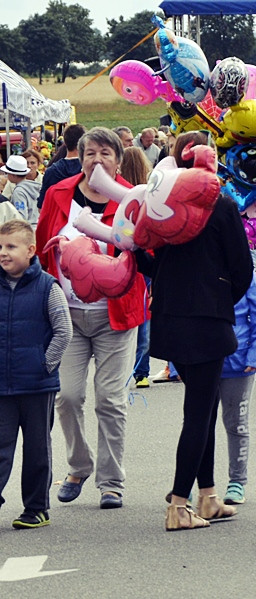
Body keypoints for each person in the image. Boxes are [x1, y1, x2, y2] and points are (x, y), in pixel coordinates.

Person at [133, 130, 254, 530]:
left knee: (203, 406)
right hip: (207, 319)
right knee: (199, 414)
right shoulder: (220, 205)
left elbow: (150, 263)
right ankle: (179, 505)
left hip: (170, 316)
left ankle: (208, 496)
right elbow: (242, 268)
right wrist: (220, 298)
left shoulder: (161, 204)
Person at [36, 127, 148, 511]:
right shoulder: (58, 193)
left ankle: (111, 482)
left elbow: (146, 253)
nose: (97, 160)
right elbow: (41, 249)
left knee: (110, 400)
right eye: (90, 153)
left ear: (118, 160)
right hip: (66, 316)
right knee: (67, 396)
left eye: (105, 153)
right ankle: (79, 466)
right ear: (80, 158)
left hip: (115, 316)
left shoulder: (133, 199)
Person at [0, 219, 72, 529]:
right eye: (0, 246)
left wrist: (45, 366)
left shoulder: (47, 287)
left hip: (37, 386)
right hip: (2, 385)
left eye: (11, 247)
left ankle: (36, 508)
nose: (3, 253)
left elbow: (63, 331)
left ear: (30, 250)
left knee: (37, 449)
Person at [219, 272, 256, 506]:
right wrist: (175, 364)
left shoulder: (243, 271)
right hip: (200, 359)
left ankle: (237, 481)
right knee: (197, 424)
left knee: (237, 424)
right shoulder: (195, 264)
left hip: (239, 362)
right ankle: (190, 482)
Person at [118, 147, 154, 388]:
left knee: (123, 313)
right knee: (144, 315)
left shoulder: (117, 193)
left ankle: (123, 368)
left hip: (122, 258)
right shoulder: (150, 193)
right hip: (146, 259)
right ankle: (142, 370)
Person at [38, 124, 85, 209]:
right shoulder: (89, 170)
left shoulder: (51, 171)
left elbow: (41, 208)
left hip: (59, 215)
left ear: (65, 142)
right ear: (84, 142)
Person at [2, 156, 40, 224]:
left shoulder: (18, 191)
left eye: (7, 173)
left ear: (13, 175)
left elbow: (21, 217)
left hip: (27, 228)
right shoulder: (35, 186)